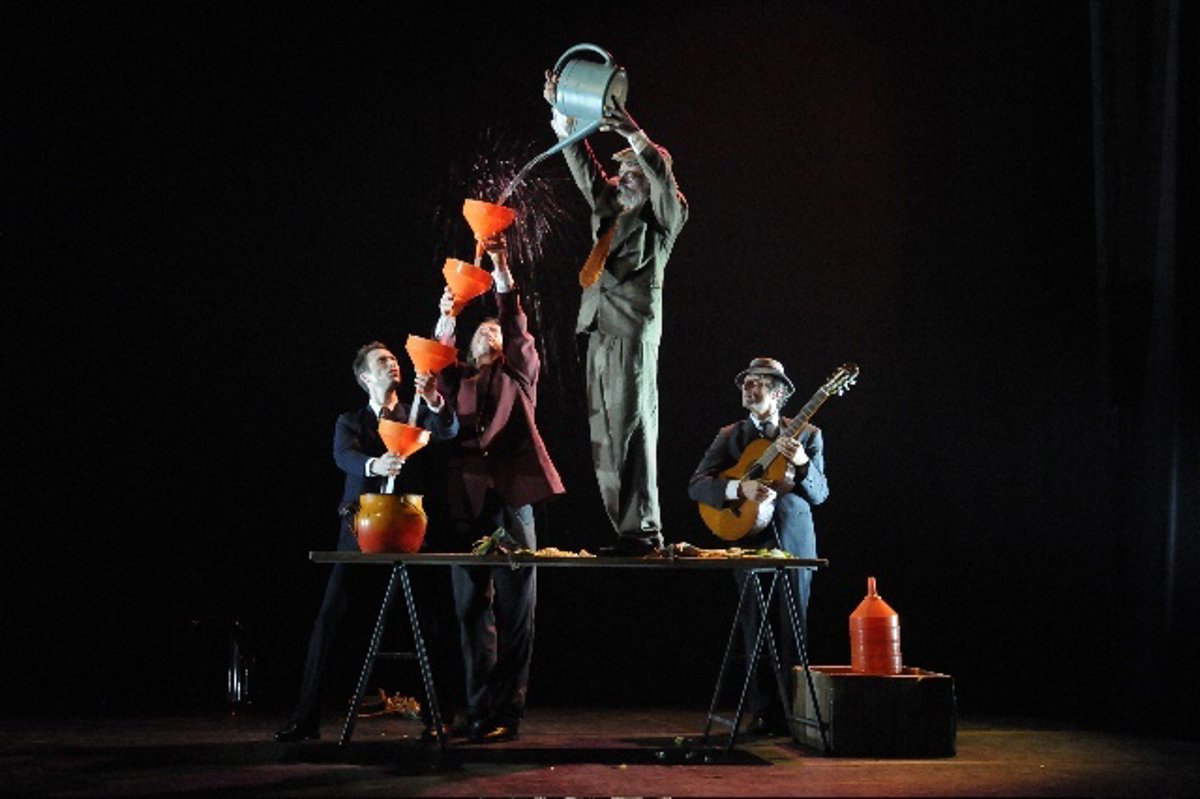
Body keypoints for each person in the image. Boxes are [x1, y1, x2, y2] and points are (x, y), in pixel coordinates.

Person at [274, 343, 458, 743]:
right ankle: (306, 718)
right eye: (382, 361)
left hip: (408, 531)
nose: (392, 364)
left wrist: (434, 400)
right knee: (330, 622)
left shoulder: (415, 412)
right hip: (361, 533)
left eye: (394, 359)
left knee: (428, 623)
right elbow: (344, 456)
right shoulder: (351, 421)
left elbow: (448, 430)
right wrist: (375, 464)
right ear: (365, 378)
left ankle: (438, 715)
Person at [544, 72, 688, 555]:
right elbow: (583, 168)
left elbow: (663, 179)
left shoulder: (664, 219)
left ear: (648, 181)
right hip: (598, 329)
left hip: (632, 333)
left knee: (633, 426)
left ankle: (644, 530)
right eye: (620, 170)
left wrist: (630, 131)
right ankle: (628, 531)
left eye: (631, 171)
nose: (621, 176)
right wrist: (563, 115)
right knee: (604, 433)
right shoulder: (610, 210)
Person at [432, 232, 564, 743]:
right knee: (470, 609)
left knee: (517, 609)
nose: (490, 333)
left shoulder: (520, 375)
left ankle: (508, 709)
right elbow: (437, 362)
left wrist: (502, 266)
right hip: (468, 503)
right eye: (481, 330)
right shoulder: (459, 381)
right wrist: (448, 312)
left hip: (513, 499)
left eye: (496, 332)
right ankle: (478, 707)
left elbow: (513, 321)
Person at [688, 357, 829, 735]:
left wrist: (802, 463)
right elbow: (697, 485)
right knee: (755, 627)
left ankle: (796, 715)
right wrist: (739, 488)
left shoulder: (809, 434)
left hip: (794, 543)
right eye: (746, 384)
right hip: (749, 539)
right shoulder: (730, 435)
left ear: (778, 394)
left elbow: (820, 494)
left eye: (758, 384)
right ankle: (763, 712)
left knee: (792, 628)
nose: (748, 389)